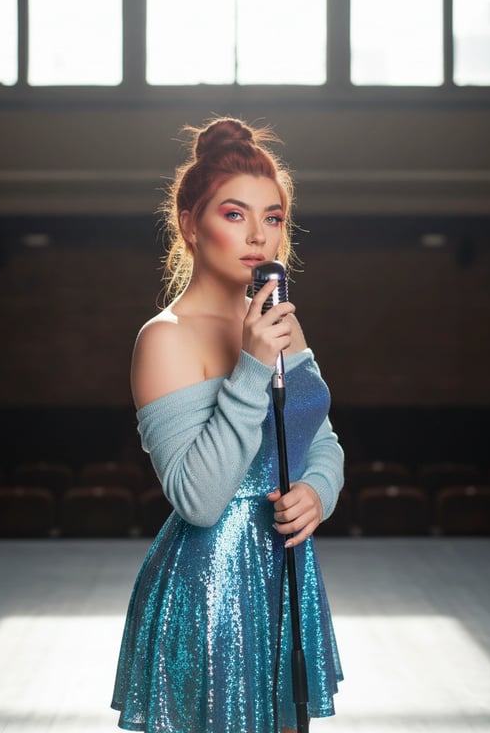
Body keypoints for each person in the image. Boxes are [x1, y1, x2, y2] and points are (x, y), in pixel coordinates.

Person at [111, 117, 344, 733]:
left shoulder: (278, 323)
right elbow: (199, 499)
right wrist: (252, 368)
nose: (259, 236)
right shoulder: (163, 340)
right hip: (208, 592)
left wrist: (319, 490)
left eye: (273, 218)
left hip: (284, 577)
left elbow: (320, 439)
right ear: (191, 223)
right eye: (235, 214)